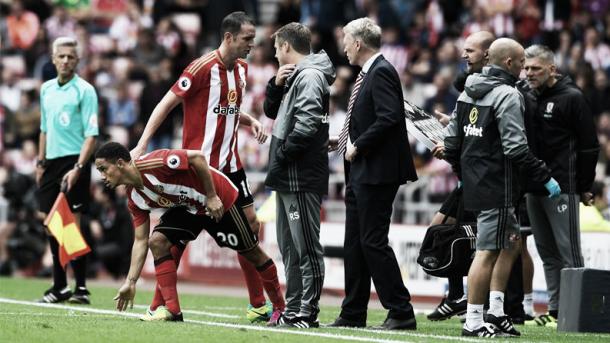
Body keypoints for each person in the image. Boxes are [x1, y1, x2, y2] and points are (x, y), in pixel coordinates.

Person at [129, 12, 275, 323]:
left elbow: (229, 108)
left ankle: (258, 305)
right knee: (175, 237)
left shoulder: (242, 69)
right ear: (229, 38)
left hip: (231, 166)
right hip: (199, 171)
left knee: (251, 228)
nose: (253, 44)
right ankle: (161, 304)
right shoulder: (199, 68)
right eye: (248, 38)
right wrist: (142, 144)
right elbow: (165, 104)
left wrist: (250, 121)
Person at [439, 38, 560, 337]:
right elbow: (516, 148)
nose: (524, 70)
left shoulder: (467, 91)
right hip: (500, 185)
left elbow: (452, 142)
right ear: (508, 63)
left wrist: (464, 172)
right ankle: (473, 321)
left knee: (509, 244)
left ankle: (494, 311)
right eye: (521, 63)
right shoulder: (508, 95)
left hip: (479, 183)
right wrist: (545, 177)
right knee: (487, 252)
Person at [96, 142, 285, 322]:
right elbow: (140, 241)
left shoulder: (155, 163)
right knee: (157, 242)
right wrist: (131, 282)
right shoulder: (134, 198)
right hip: (189, 208)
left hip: (217, 200)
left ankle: (280, 308)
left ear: (120, 163)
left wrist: (211, 196)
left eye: (103, 169)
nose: (102, 176)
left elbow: (198, 158)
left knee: (252, 253)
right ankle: (172, 310)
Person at [328, 18, 418, 330]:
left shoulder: (381, 71)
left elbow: (390, 117)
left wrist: (359, 146)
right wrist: (342, 140)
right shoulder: (371, 72)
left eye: (345, 40)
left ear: (358, 43)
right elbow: (369, 117)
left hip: (377, 171)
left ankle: (401, 311)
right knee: (355, 243)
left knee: (372, 241)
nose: (343, 47)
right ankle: (353, 312)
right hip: (362, 170)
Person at [262, 22, 335, 328]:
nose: (276, 54)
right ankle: (292, 309)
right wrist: (275, 86)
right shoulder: (294, 76)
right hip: (289, 176)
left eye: (277, 48)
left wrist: (281, 157)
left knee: (305, 246)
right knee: (289, 248)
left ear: (287, 47)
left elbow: (305, 126)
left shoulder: (310, 76)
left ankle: (307, 311)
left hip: (300, 175)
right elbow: (271, 112)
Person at [522, 44, 600, 326]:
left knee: (569, 253)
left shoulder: (572, 98)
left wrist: (584, 185)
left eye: (536, 69)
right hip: (535, 187)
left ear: (551, 69)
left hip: (563, 187)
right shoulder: (528, 96)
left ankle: (578, 313)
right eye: (527, 68)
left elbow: (590, 146)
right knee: (547, 252)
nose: (529, 73)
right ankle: (556, 311)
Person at [426, 30, 495, 322]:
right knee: (438, 231)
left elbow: (485, 138)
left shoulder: (499, 91)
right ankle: (457, 294)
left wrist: (454, 144)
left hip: (483, 181)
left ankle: (490, 304)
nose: (463, 55)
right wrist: (451, 126)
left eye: (470, 50)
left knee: (478, 243)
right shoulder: (470, 91)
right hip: (465, 179)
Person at [36, 36, 99, 304]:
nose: (65, 61)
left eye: (70, 57)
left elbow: (92, 135)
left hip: (75, 161)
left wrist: (79, 167)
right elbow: (44, 129)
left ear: (78, 60)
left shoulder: (85, 91)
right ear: (53, 59)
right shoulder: (46, 89)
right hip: (51, 162)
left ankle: (81, 288)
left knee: (72, 224)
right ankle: (60, 286)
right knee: (51, 224)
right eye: (61, 56)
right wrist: (40, 163)